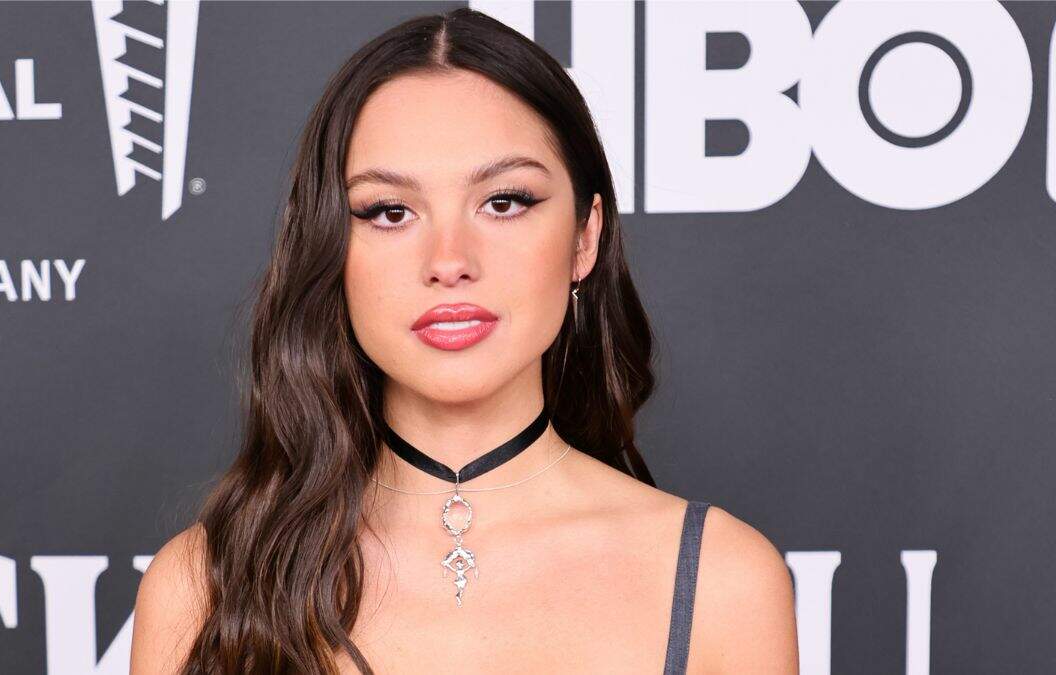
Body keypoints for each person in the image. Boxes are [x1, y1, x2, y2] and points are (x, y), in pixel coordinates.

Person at [130, 7, 798, 674]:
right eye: (390, 211)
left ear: (585, 236)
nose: (449, 260)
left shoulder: (722, 581)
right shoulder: (202, 587)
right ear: (329, 247)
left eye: (504, 202)